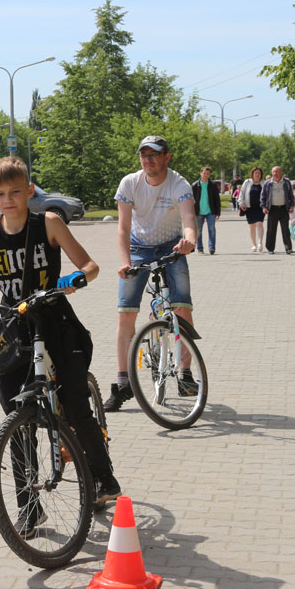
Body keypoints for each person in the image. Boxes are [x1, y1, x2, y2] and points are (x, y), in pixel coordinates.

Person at [0, 156, 120, 537]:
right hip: (13, 325)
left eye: (15, 192)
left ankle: (103, 479)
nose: (7, 200)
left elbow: (91, 266)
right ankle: (29, 508)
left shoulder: (48, 222)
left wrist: (75, 278)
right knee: (16, 421)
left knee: (76, 406)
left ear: (29, 190)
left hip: (54, 322)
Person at [105, 136, 197, 412]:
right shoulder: (129, 183)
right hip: (138, 249)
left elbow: (189, 220)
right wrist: (124, 262)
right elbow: (123, 227)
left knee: (182, 309)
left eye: (154, 155)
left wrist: (189, 241)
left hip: (172, 247)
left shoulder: (179, 184)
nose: (148, 160)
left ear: (167, 157)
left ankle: (185, 373)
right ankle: (123, 383)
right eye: (144, 155)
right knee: (126, 312)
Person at [260, 165, 295, 254]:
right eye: (274, 172)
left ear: (281, 173)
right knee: (271, 229)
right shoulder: (268, 183)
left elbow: (291, 195)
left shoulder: (286, 182)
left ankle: (288, 248)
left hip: (284, 208)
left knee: (285, 229)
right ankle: (270, 248)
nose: (275, 174)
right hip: (272, 209)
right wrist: (264, 207)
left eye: (277, 172)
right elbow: (263, 196)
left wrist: (291, 206)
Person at [191, 167, 221, 254]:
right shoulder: (195, 185)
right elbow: (190, 199)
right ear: (200, 173)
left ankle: (212, 247)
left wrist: (218, 212)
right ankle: (200, 248)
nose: (206, 175)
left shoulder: (212, 185)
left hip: (210, 211)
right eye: (204, 173)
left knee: (211, 229)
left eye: (208, 174)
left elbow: (217, 199)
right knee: (198, 230)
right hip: (198, 211)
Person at [239, 166, 266, 252]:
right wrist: (241, 203)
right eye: (256, 173)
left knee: (259, 223)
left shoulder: (264, 183)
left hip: (260, 207)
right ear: (252, 174)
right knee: (252, 225)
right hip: (249, 207)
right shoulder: (247, 182)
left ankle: (260, 243)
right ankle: (254, 244)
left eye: (259, 173)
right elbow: (242, 193)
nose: (257, 175)